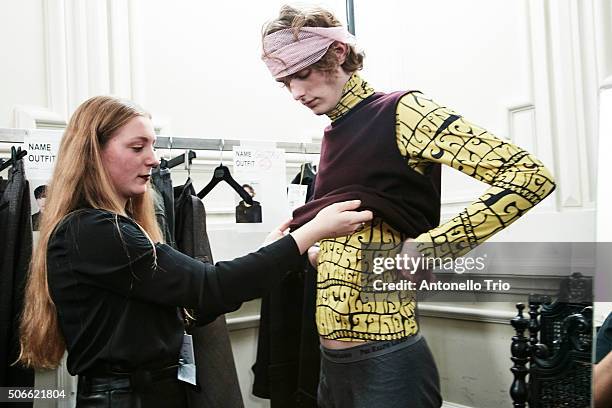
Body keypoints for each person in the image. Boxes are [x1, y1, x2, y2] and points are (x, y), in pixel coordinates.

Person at [261, 5, 556, 408]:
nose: (295, 92)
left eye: (302, 73)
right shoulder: (335, 134)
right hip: (331, 364)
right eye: (285, 82)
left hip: (387, 363)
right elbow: (368, 232)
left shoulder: (402, 111)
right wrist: (317, 253)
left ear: (337, 54)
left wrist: (431, 247)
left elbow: (528, 176)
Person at [18, 95, 373, 408]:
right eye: (137, 147)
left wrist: (273, 251)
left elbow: (193, 303)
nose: (154, 160)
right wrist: (312, 232)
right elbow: (211, 287)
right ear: (94, 153)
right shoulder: (96, 231)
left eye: (152, 146)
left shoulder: (105, 228)